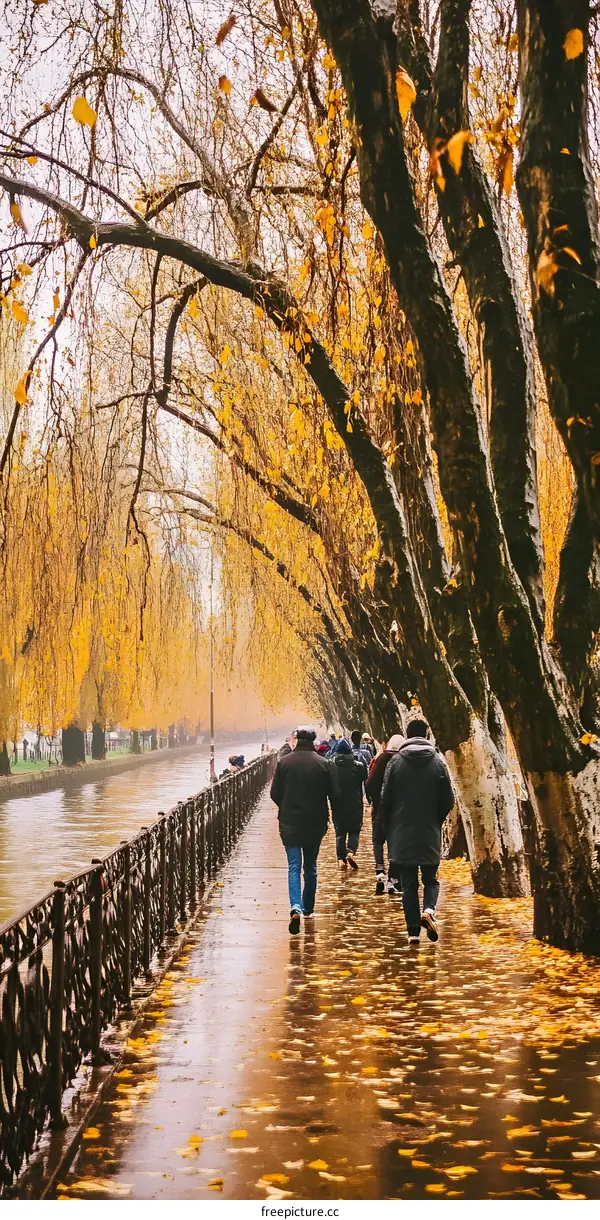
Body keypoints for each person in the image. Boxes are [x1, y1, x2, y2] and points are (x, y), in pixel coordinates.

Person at [379, 718, 454, 944]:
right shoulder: (439, 763)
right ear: (427, 733)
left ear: (407, 734)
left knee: (409, 882)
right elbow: (448, 800)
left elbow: (385, 799)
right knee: (431, 879)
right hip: (429, 829)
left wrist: (389, 826)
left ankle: (413, 932)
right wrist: (436, 819)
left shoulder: (395, 763)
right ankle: (429, 910)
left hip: (402, 831)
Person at [270, 726, 337, 935]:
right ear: (314, 741)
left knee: (293, 866)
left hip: (290, 822)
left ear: (297, 740)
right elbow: (334, 792)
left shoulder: (284, 762)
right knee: (310, 867)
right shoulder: (323, 763)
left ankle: (295, 906)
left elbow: (274, 793)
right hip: (315, 823)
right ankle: (308, 909)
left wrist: (287, 806)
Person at [365, 733, 404, 895]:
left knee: (377, 840)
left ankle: (380, 870)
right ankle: (394, 880)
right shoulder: (403, 761)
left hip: (380, 811)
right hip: (397, 812)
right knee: (395, 844)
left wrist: (374, 801)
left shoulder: (379, 760)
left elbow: (369, 783)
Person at [331, 738, 368, 871]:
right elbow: (365, 779)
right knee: (354, 830)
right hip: (355, 803)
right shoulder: (358, 766)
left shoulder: (331, 765)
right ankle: (351, 851)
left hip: (337, 803)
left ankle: (341, 859)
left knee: (340, 832)